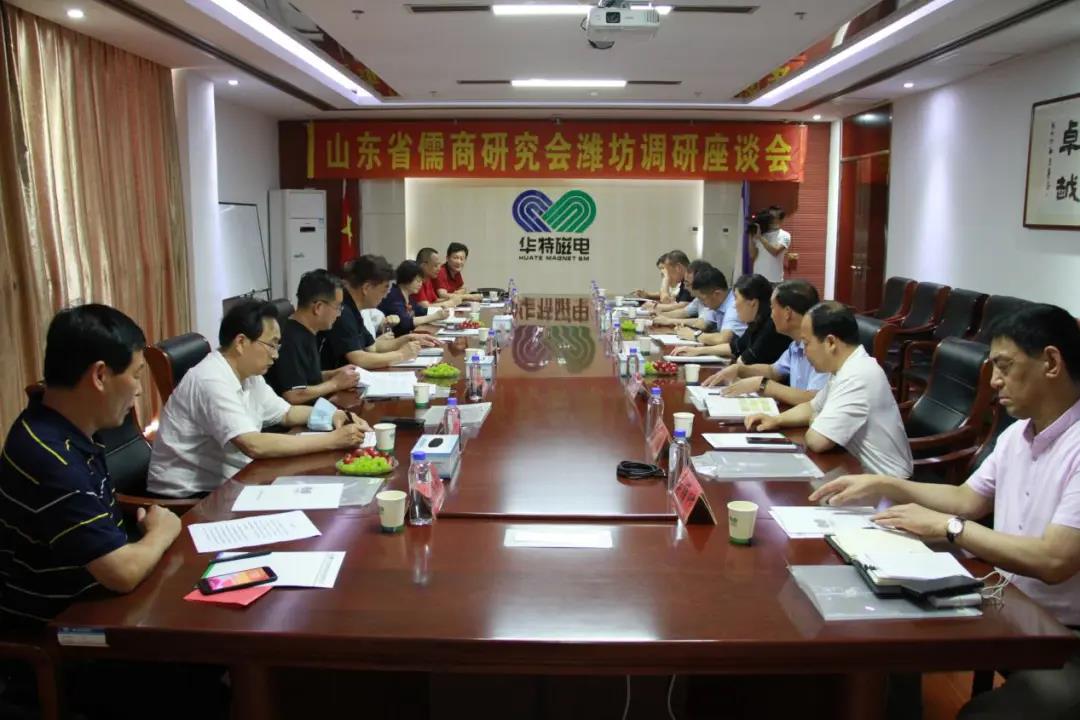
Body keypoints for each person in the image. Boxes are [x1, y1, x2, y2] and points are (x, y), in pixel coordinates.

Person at [809, 304, 1080, 719]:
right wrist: (885, 484)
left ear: (1051, 362)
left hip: (1064, 636)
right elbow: (967, 499)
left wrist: (951, 529)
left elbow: (1054, 560)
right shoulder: (1017, 435)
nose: (994, 380)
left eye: (1005, 366)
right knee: (892, 639)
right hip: (1009, 602)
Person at [0, 305, 181, 625]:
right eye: (136, 374)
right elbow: (122, 573)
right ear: (100, 376)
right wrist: (162, 531)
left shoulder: (61, 424)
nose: (140, 389)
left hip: (92, 596)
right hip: (61, 625)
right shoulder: (50, 457)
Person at [148, 300, 370, 498]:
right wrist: (333, 440)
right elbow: (253, 444)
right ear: (241, 342)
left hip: (232, 480)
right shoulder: (210, 380)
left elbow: (286, 413)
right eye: (271, 345)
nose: (276, 354)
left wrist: (334, 415)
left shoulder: (249, 375)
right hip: (189, 499)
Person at [744, 301, 913, 478]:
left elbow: (817, 441)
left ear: (831, 342)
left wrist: (817, 417)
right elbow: (812, 406)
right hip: (856, 470)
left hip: (887, 483)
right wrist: (776, 420)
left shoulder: (857, 376)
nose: (805, 352)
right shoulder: (844, 368)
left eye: (807, 343)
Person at [703, 279, 829, 406]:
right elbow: (773, 371)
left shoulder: (822, 347)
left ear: (788, 313)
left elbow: (813, 399)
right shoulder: (795, 345)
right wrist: (739, 369)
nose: (771, 315)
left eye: (773, 308)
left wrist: (762, 384)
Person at [322, 254, 439, 370]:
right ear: (366, 288)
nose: (386, 295)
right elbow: (359, 359)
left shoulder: (354, 309)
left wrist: (409, 338)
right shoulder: (342, 310)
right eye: (384, 289)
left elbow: (373, 347)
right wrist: (401, 354)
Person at [265, 270, 361, 405]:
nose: (339, 314)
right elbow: (293, 394)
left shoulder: (307, 331)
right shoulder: (290, 339)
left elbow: (307, 378)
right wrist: (335, 384)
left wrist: (333, 374)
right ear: (318, 307)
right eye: (337, 307)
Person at [671, 273, 789, 365]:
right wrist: (698, 351)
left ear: (752, 302)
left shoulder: (771, 325)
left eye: (736, 298)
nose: (734, 305)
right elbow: (734, 347)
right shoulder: (756, 322)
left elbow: (744, 361)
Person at [379, 260, 447, 337]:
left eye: (421, 281)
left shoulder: (408, 296)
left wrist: (440, 311)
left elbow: (421, 311)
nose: (420, 284)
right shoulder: (393, 296)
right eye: (418, 281)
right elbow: (405, 323)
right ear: (407, 278)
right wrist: (435, 316)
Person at [650, 260, 713, 328]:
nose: (685, 287)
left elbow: (703, 323)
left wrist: (669, 321)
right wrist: (660, 314)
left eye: (687, 283)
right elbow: (683, 312)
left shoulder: (713, 298)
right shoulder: (698, 300)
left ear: (700, 283)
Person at [750, 206, 791, 283]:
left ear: (781, 220)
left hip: (774, 280)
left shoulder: (784, 235)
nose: (770, 220)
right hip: (757, 278)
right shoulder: (761, 233)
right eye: (769, 217)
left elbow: (775, 252)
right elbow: (752, 255)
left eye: (773, 217)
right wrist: (751, 236)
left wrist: (760, 237)